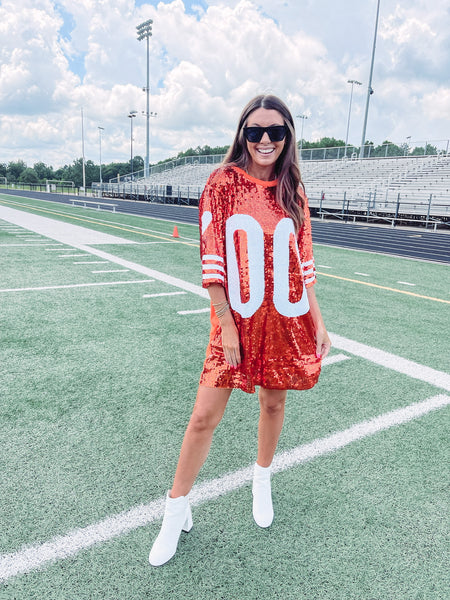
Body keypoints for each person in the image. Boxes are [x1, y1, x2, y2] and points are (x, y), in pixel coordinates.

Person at [149, 94, 331, 567]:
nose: (265, 139)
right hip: (236, 320)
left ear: (288, 135)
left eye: (275, 131)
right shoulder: (222, 182)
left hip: (286, 317)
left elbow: (303, 262)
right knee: (204, 417)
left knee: (274, 401)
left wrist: (317, 319)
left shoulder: (293, 187)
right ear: (242, 134)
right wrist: (226, 324)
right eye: (255, 131)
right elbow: (211, 262)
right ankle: (175, 508)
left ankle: (262, 478)